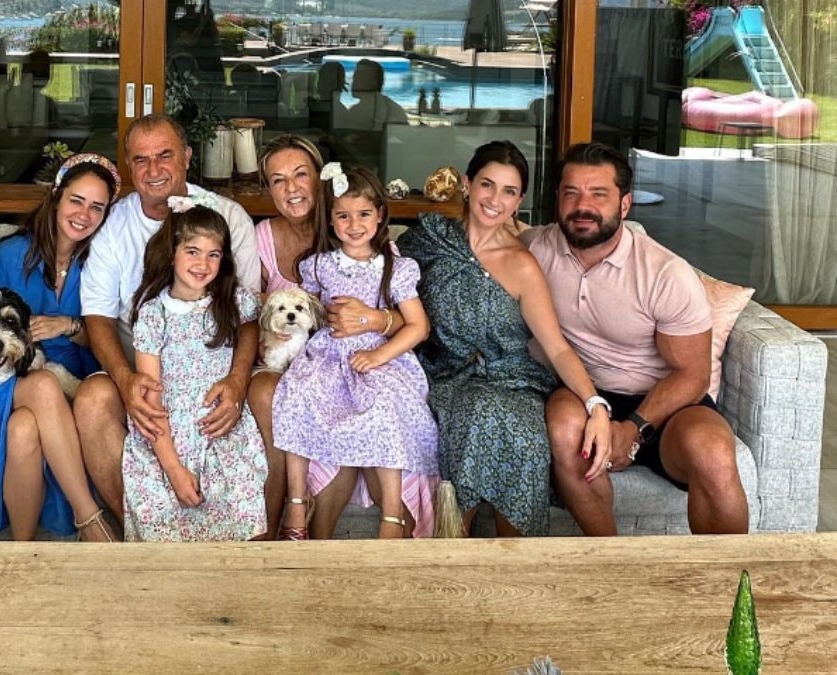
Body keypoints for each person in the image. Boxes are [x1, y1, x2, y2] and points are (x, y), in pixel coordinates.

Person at [524, 141, 748, 535]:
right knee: (563, 428)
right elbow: (486, 239)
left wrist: (633, 428)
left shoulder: (664, 274)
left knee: (713, 452)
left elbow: (693, 375)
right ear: (557, 199)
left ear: (625, 204)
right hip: (583, 391)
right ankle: (612, 559)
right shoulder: (535, 250)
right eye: (571, 193)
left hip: (667, 405)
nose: (582, 206)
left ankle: (731, 574)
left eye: (599, 194)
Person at [397, 141, 612, 537]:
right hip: (442, 376)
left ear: (519, 201)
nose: (495, 200)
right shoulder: (428, 240)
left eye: (509, 191)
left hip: (512, 382)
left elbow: (557, 347)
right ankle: (448, 551)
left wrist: (595, 404)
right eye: (487, 185)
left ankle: (514, 560)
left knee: (521, 436)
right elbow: (384, 285)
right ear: (467, 184)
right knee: (472, 412)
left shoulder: (522, 264)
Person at [75, 113, 259, 533]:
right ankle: (143, 537)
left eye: (165, 155)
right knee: (92, 398)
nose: (153, 169)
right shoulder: (114, 226)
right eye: (140, 159)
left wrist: (237, 381)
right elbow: (98, 315)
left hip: (215, 374)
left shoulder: (228, 217)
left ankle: (255, 547)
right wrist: (125, 379)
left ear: (188, 157)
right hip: (145, 370)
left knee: (265, 393)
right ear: (128, 166)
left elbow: (247, 316)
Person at [272, 163, 441, 539]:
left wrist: (380, 356)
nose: (354, 224)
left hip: (380, 356)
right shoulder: (319, 265)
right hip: (329, 355)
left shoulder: (395, 268)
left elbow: (418, 326)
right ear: (330, 220)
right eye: (343, 216)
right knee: (296, 392)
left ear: (380, 215)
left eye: (364, 214)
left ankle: (392, 515)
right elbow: (308, 312)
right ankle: (297, 503)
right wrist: (287, 331)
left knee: (385, 403)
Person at [247, 134, 403, 539]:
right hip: (283, 362)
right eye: (278, 180)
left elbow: (408, 317)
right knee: (270, 393)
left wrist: (373, 319)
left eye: (300, 175)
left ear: (321, 179)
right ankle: (273, 527)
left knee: (343, 405)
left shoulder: (352, 235)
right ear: (268, 189)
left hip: (345, 364)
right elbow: (246, 309)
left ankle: (314, 540)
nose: (291, 188)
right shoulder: (261, 237)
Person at [0, 153, 121, 542]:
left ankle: (23, 550)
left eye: (97, 207)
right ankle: (89, 519)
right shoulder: (8, 256)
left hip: (75, 380)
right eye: (77, 200)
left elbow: (110, 337)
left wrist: (69, 326)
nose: (84, 215)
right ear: (56, 196)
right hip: (8, 380)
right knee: (42, 385)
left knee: (23, 430)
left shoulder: (102, 262)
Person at [123, 200, 266, 540]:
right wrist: (173, 469)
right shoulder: (154, 314)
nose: (203, 264)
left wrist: (237, 377)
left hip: (223, 434)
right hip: (167, 439)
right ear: (172, 253)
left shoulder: (232, 301)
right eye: (192, 251)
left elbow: (252, 324)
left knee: (240, 522)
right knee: (167, 529)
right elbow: (151, 400)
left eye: (213, 254)